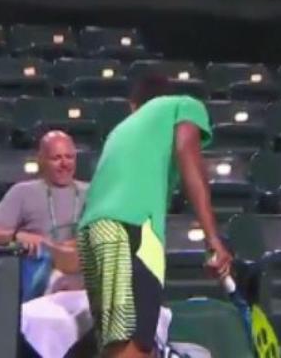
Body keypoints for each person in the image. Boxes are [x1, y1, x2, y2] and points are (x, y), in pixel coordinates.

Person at [77, 74, 232, 358]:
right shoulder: (183, 104)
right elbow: (189, 157)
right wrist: (214, 239)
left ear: (134, 105)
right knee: (134, 347)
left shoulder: (120, 130)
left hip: (93, 233)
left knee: (116, 345)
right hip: (130, 229)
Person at [0, 131, 87, 293]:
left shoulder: (92, 192)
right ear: (41, 160)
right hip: (39, 277)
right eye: (56, 158)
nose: (64, 163)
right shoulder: (22, 192)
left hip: (84, 276)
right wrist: (17, 236)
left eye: (69, 157)